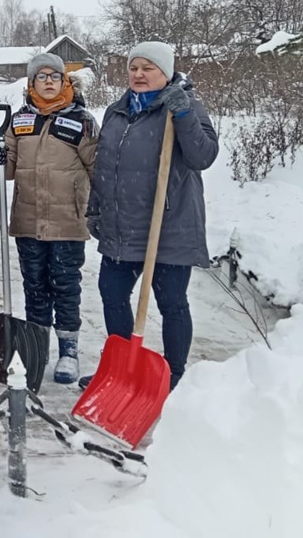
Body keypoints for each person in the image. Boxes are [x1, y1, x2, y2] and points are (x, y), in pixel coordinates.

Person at [81, 41, 219, 391]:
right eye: (134, 68)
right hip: (122, 225)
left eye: (148, 68)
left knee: (171, 303)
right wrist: (96, 207)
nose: (139, 75)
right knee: (111, 293)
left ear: (167, 71)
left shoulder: (186, 107)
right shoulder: (116, 111)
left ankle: (171, 376)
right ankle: (122, 367)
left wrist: (184, 114)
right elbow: (105, 164)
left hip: (169, 225)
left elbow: (203, 156)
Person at [0, 53, 99, 383]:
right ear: (31, 83)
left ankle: (68, 351)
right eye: (41, 77)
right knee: (34, 286)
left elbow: (98, 168)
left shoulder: (82, 120)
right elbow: (3, 171)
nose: (48, 82)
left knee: (65, 286)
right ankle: (38, 347)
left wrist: (96, 208)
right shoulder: (20, 120)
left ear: (64, 81)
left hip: (68, 220)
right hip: (28, 218)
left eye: (54, 76)